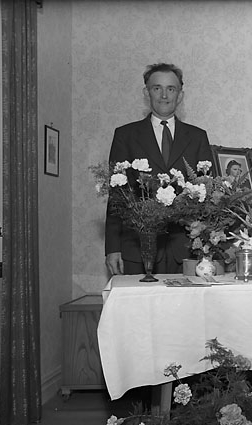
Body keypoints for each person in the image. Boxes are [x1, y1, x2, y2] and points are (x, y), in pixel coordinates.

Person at [105, 62, 214, 276]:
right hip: (137, 249)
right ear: (146, 93)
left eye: (171, 89)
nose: (164, 95)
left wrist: (209, 245)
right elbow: (116, 196)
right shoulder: (126, 136)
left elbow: (208, 196)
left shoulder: (198, 137)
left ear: (180, 95)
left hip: (186, 250)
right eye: (157, 88)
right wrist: (112, 248)